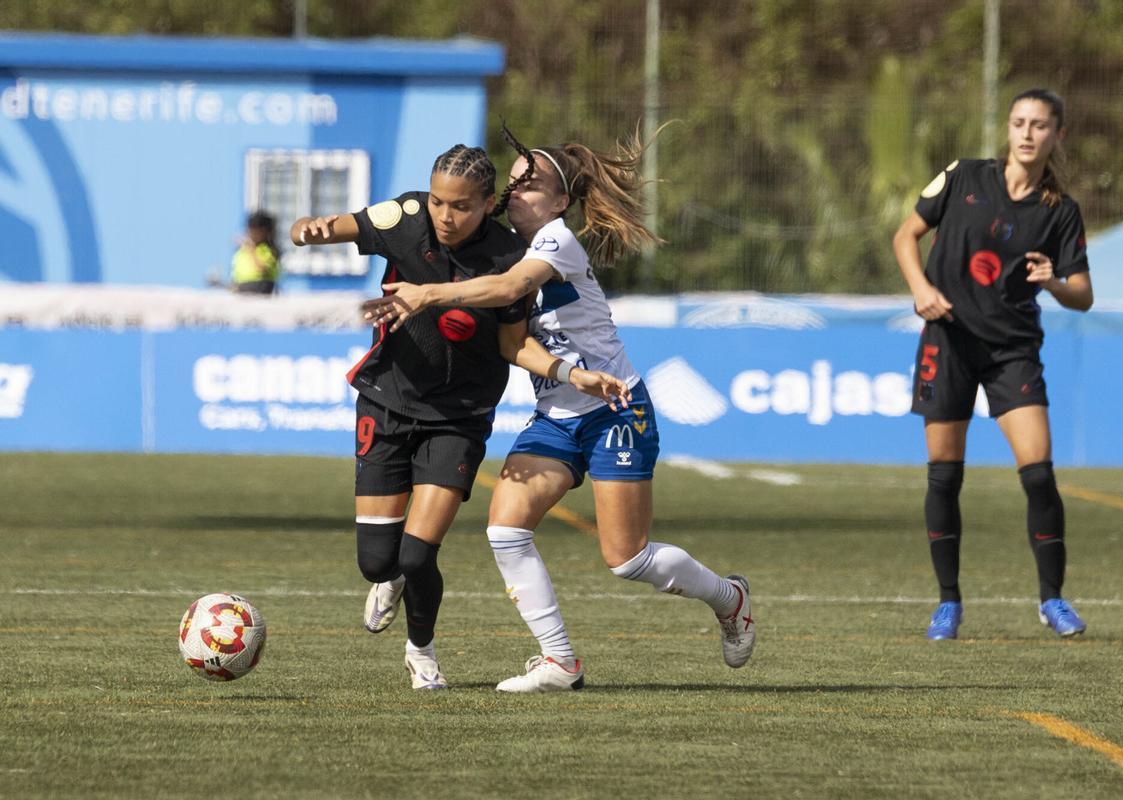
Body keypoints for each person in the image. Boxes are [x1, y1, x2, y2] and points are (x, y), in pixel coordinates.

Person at [361, 125, 756, 692]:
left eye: (533, 185)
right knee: (505, 530)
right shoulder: (497, 251)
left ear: (560, 202)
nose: (517, 192)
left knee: (626, 559)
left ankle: (729, 597)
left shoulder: (555, 241)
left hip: (616, 408)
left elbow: (505, 290)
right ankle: (560, 661)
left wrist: (426, 294)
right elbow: (509, 339)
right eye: (514, 184)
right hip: (558, 415)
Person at [289, 144, 630, 690]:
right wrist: (310, 229)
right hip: (386, 401)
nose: (445, 216)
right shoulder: (404, 217)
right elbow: (336, 226)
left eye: (462, 206)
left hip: (458, 418)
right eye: (439, 203)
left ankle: (421, 651)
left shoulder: (509, 258)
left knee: (419, 554)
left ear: (487, 203)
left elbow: (515, 345)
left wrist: (567, 372)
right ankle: (389, 577)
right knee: (379, 562)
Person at [891, 88, 1094, 641]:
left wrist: (1051, 280)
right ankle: (948, 604)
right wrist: (920, 289)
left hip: (1012, 351)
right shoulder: (963, 176)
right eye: (1019, 123)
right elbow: (905, 236)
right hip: (949, 340)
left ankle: (1052, 600)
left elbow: (1083, 294)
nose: (1028, 134)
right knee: (943, 475)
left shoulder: (1060, 211)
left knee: (1039, 473)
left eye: (1040, 125)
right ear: (1008, 129)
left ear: (1058, 135)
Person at [231, 211, 281, 294]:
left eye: (256, 230)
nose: (252, 234)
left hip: (260, 287)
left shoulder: (267, 250)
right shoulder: (242, 250)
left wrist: (251, 251)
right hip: (241, 287)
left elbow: (262, 269)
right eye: (250, 230)